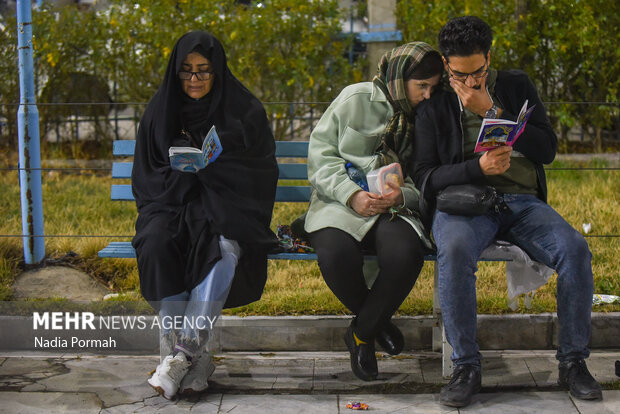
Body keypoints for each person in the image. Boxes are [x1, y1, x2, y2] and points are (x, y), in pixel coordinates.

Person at [411, 16, 602, 408]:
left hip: (521, 202)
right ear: (447, 65)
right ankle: (466, 366)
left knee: (574, 248)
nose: (470, 83)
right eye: (461, 75)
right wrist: (475, 170)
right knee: (457, 251)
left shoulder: (515, 86)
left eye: (478, 72)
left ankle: (573, 363)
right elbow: (425, 177)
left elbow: (547, 149)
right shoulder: (437, 104)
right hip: (466, 204)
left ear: (489, 58)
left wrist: (492, 110)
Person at [131, 31, 279, 399]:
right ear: (174, 72)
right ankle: (190, 362)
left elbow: (260, 172)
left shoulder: (244, 110)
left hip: (228, 208)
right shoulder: (160, 111)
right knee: (158, 242)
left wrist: (215, 171)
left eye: (203, 71)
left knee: (225, 250)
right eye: (185, 71)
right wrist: (184, 176)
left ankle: (181, 355)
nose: (194, 80)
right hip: (170, 206)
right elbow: (147, 177)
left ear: (218, 71)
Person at [304, 42, 443, 381]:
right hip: (341, 203)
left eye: (433, 87)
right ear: (400, 79)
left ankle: (361, 332)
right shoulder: (356, 99)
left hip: (392, 207)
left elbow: (426, 175)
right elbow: (321, 158)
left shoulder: (428, 116)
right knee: (335, 254)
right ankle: (377, 323)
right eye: (421, 86)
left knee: (406, 253)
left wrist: (401, 196)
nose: (427, 95)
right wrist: (352, 195)